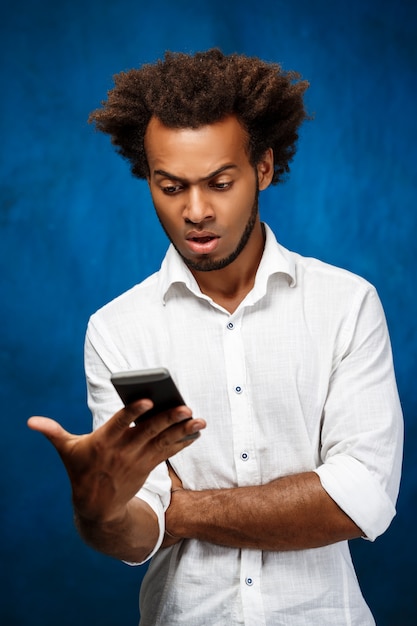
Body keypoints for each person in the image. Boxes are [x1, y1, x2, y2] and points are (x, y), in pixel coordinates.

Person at [28, 49, 403, 625]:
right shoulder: (117, 330)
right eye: (171, 185)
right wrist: (99, 511)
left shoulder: (346, 304)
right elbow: (140, 529)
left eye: (220, 182)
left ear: (264, 169)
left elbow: (362, 500)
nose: (196, 211)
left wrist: (185, 511)